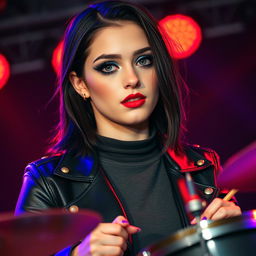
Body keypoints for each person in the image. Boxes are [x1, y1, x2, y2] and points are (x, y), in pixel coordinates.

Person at [15, 1, 241, 255]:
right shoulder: (47, 182)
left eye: (144, 60)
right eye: (109, 67)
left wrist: (239, 237)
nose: (132, 79)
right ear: (80, 85)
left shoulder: (205, 167)